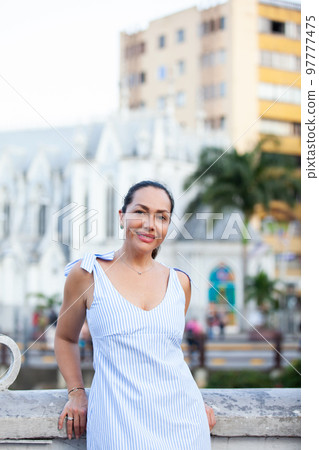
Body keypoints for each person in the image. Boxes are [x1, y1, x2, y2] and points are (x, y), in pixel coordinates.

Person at [55, 180, 216, 449]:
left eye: (161, 217)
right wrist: (77, 393)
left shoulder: (180, 283)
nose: (150, 224)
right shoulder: (86, 275)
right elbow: (65, 339)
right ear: (122, 217)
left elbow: (167, 351)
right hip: (116, 428)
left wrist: (195, 400)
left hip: (184, 427)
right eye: (140, 212)